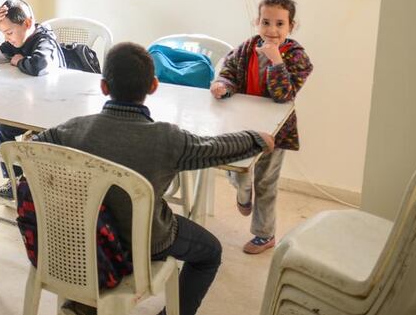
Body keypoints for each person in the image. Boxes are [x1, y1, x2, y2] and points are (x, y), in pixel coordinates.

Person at [34, 42, 275, 315]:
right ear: (153, 86)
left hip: (81, 236)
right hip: (146, 242)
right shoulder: (168, 139)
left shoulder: (74, 128)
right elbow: (215, 148)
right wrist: (254, 138)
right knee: (211, 252)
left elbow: (34, 147)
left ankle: (84, 305)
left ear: (104, 87)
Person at [210, 0, 313, 255]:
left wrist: (276, 61)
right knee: (238, 170)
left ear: (292, 26)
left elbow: (284, 95)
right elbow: (229, 72)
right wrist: (223, 85)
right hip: (242, 126)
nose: (272, 29)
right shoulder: (246, 47)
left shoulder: (296, 57)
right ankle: (243, 194)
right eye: (266, 22)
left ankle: (264, 235)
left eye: (280, 24)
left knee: (266, 183)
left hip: (275, 133)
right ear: (257, 22)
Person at [0, 0, 64, 199]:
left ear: (27, 23)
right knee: (3, 128)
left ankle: (47, 187)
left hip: (54, 111)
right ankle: (13, 180)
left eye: (8, 33)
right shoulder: (15, 42)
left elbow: (40, 65)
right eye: (3, 34)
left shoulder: (44, 39)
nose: (6, 39)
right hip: (31, 109)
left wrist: (21, 61)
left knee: (39, 141)